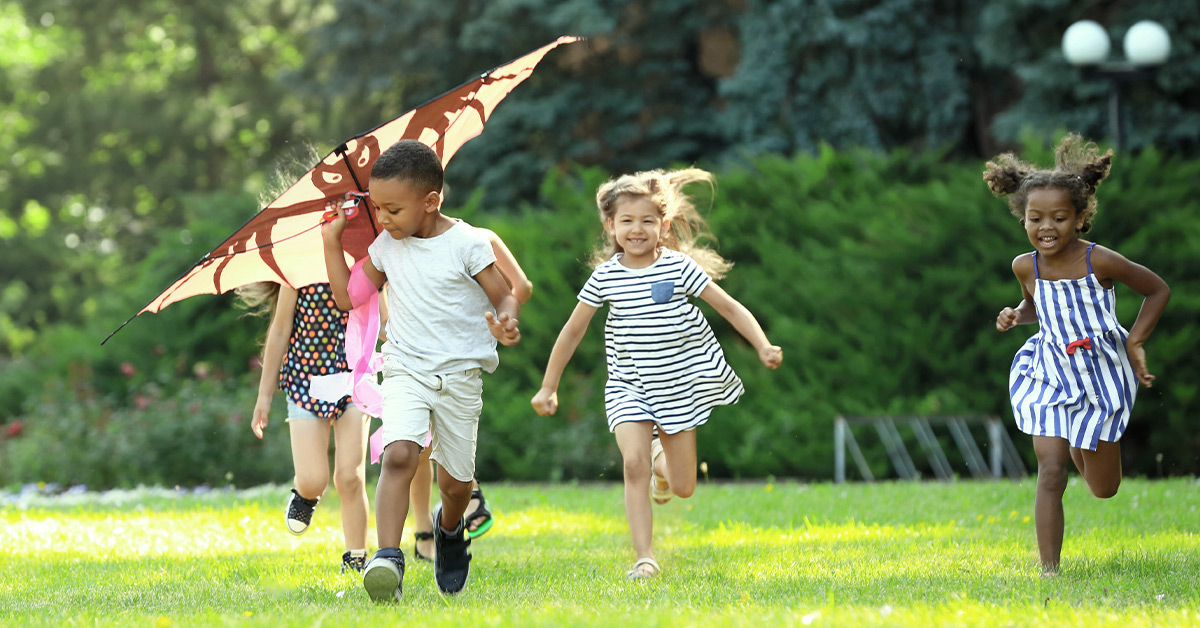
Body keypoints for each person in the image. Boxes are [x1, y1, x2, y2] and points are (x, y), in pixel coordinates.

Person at [530, 168, 782, 579]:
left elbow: (729, 307)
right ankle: (644, 557)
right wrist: (548, 386)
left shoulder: (680, 269)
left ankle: (662, 467)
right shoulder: (606, 277)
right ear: (610, 226)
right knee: (633, 465)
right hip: (629, 388)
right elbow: (572, 331)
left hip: (679, 388)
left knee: (683, 486)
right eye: (627, 221)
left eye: (647, 220)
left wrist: (762, 344)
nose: (637, 229)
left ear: (663, 225)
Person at [322, 139, 521, 601]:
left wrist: (506, 319)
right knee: (398, 456)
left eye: (393, 209)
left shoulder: (468, 243)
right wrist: (332, 243)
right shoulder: (386, 247)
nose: (384, 219)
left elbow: (505, 292)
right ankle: (387, 558)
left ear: (431, 201)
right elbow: (347, 297)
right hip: (406, 368)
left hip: (459, 376)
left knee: (454, 485)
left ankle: (449, 531)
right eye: (378, 209)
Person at [986, 134, 1170, 576]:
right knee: (1051, 471)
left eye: (1059, 218)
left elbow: (1157, 290)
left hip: (1102, 375)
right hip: (1049, 371)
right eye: (1035, 218)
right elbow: (1038, 306)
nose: (1046, 227)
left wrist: (1135, 342)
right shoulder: (1025, 266)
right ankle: (1049, 570)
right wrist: (1016, 313)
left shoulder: (1100, 261)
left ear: (1081, 217)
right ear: (1023, 220)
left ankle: (1086, 438)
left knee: (1103, 488)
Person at [404, 229, 532, 560]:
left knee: (423, 440)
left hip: (440, 354)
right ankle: (449, 512)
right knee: (424, 440)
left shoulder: (463, 241)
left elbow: (517, 291)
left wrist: (498, 311)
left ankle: (430, 527)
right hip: (449, 353)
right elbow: (523, 287)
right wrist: (504, 316)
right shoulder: (479, 237)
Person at [241, 281, 371, 574]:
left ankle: (356, 558)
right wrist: (264, 396)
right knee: (314, 479)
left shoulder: (368, 264)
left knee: (350, 476)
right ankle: (305, 493)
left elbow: (386, 322)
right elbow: (279, 331)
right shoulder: (299, 270)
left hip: (354, 378)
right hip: (305, 381)